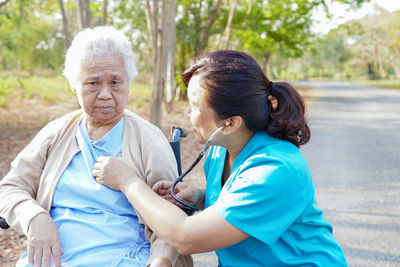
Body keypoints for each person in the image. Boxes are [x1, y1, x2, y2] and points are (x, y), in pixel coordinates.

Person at [93, 50, 348, 266]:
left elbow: (186, 237)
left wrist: (128, 182)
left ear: (230, 123)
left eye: (194, 106)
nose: (187, 112)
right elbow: (236, 207)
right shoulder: (220, 148)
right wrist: (200, 198)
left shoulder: (275, 170)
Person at [0, 26, 192, 267]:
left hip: (127, 258)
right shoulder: (56, 132)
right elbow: (10, 187)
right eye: (92, 83)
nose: (104, 94)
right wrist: (35, 218)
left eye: (115, 82)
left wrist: (161, 260)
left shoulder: (148, 139)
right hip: (53, 258)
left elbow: (171, 215)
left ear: (128, 84)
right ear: (74, 87)